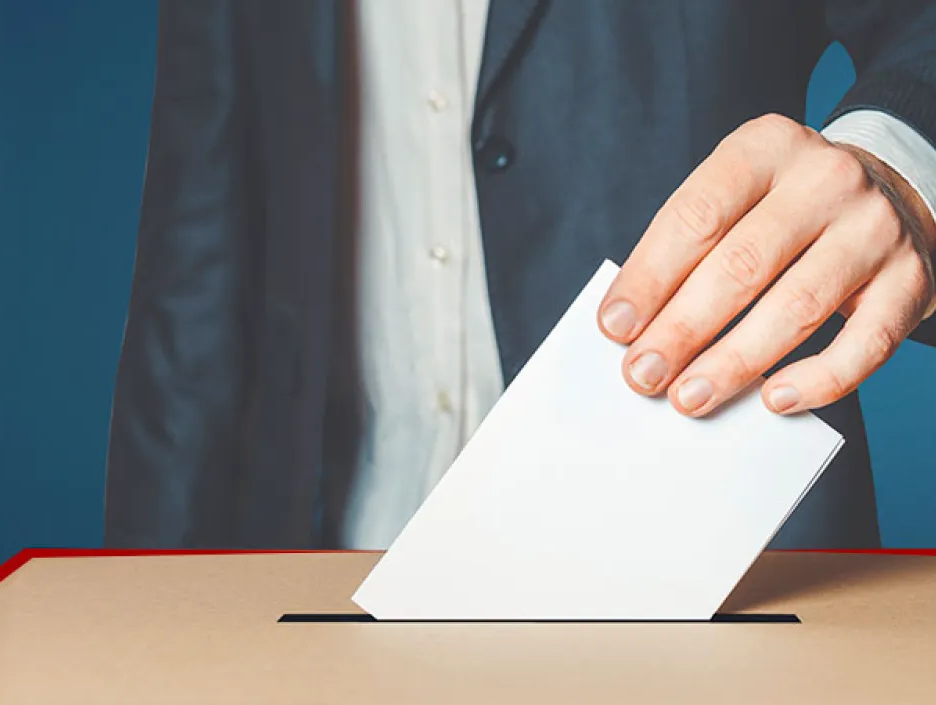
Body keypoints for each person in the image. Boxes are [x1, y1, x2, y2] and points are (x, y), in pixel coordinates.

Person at [104, 1, 936, 550]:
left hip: (716, 557)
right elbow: (199, 242)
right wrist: (145, 606)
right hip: (326, 560)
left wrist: (901, 167)